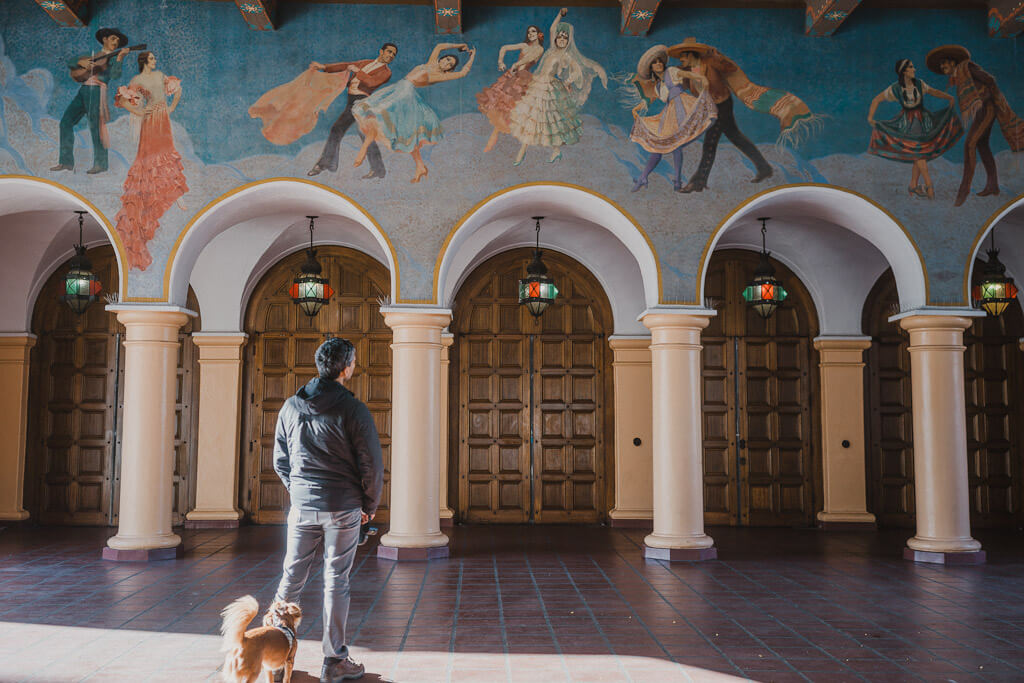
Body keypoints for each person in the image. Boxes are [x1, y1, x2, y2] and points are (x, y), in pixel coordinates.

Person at [272, 337, 384, 683]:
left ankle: (276, 656)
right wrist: (369, 505)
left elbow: (281, 460)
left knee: (292, 576)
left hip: (303, 505)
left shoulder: (290, 407)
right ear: (346, 367)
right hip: (344, 506)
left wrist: (301, 491)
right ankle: (334, 660)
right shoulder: (353, 409)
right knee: (336, 579)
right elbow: (371, 463)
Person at [351, 42, 476, 183]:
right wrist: (460, 45)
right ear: (442, 58)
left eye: (450, 65)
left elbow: (463, 73)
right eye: (447, 60)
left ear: (449, 70)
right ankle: (420, 166)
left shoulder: (440, 75)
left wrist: (472, 57)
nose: (447, 64)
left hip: (404, 94)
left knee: (375, 113)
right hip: (398, 87)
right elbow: (440, 46)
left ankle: (364, 149)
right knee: (405, 132)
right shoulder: (431, 63)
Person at [113, 51, 188, 271]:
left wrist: (171, 107)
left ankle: (174, 191)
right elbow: (123, 100)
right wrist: (139, 111)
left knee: (166, 151)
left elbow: (177, 88)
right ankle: (155, 194)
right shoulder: (137, 81)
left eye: (155, 58)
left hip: (162, 117)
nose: (155, 61)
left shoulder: (159, 76)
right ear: (145, 61)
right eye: (153, 59)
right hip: (150, 119)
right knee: (148, 157)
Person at [926, 44, 1024, 206]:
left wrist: (984, 98)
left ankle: (963, 190)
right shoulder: (959, 76)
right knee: (981, 145)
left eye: (944, 63)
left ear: (953, 62)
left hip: (987, 110)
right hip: (981, 112)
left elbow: (990, 80)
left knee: (970, 145)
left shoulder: (967, 69)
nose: (942, 67)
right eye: (941, 65)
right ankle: (992, 186)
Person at [508, 7, 607, 165]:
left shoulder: (565, 55)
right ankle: (529, 150)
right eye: (560, 38)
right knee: (533, 118)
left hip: (549, 86)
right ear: (555, 40)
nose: (561, 40)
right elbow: (553, 28)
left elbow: (577, 71)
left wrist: (568, 81)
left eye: (564, 39)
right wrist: (559, 15)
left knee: (548, 120)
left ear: (568, 42)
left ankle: (553, 151)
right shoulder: (551, 50)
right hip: (539, 83)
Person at [867, 59, 961, 200]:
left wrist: (949, 97)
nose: (914, 69)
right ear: (904, 71)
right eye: (911, 67)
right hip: (907, 123)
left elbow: (933, 91)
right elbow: (876, 100)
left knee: (918, 153)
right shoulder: (896, 88)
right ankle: (929, 184)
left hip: (923, 120)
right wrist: (870, 117)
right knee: (919, 153)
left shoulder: (919, 84)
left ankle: (913, 185)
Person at [628, 45, 716, 192]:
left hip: (682, 106)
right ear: (651, 68)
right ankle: (644, 177)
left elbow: (691, 76)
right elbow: (649, 100)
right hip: (669, 114)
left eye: (659, 61)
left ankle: (676, 180)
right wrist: (636, 108)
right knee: (658, 147)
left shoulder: (672, 71)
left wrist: (702, 79)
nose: (658, 64)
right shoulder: (658, 86)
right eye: (655, 63)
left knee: (676, 144)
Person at [307, 43, 397, 180]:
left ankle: (325, 164)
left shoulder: (386, 72)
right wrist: (324, 67)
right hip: (352, 100)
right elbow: (346, 65)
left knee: (354, 132)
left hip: (362, 102)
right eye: (389, 52)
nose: (391, 56)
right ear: (381, 51)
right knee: (340, 130)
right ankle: (327, 164)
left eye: (393, 54)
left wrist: (357, 71)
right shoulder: (366, 62)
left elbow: (371, 83)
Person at [51, 28, 130, 174]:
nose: (116, 42)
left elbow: (115, 75)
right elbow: (72, 62)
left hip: (97, 91)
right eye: (113, 38)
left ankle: (101, 164)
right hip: (84, 90)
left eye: (118, 41)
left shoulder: (114, 57)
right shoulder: (94, 55)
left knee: (96, 126)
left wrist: (120, 59)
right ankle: (66, 162)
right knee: (65, 122)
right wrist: (81, 61)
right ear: (105, 39)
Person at [476, 25, 545, 153]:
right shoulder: (525, 46)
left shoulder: (539, 48)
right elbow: (504, 48)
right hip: (512, 76)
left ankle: (518, 143)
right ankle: (493, 140)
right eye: (528, 32)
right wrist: (500, 61)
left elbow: (529, 58)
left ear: (539, 34)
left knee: (515, 107)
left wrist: (516, 64)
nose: (530, 34)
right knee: (501, 105)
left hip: (523, 78)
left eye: (533, 31)